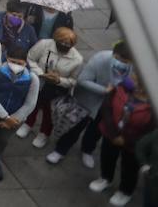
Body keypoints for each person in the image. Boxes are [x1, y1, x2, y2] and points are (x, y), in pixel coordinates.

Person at [46, 41, 132, 169]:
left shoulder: (133, 67)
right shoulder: (101, 59)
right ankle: (60, 150)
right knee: (75, 125)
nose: (122, 63)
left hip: (108, 105)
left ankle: (87, 150)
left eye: (126, 61)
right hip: (87, 101)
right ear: (114, 54)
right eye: (120, 59)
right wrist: (104, 90)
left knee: (96, 129)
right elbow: (83, 80)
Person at [0, 45, 39, 180]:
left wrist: (13, 119)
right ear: (7, 58)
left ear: (25, 63)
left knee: (4, 139)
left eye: (19, 63)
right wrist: (5, 116)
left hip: (16, 116)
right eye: (12, 61)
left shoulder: (32, 78)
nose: (15, 65)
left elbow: (30, 103)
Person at [87, 75, 153, 206]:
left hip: (134, 144)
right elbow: (106, 107)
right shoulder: (122, 86)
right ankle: (105, 178)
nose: (133, 79)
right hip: (111, 133)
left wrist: (126, 140)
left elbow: (151, 131)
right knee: (107, 156)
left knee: (130, 167)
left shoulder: (157, 105)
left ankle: (125, 191)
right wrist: (113, 133)